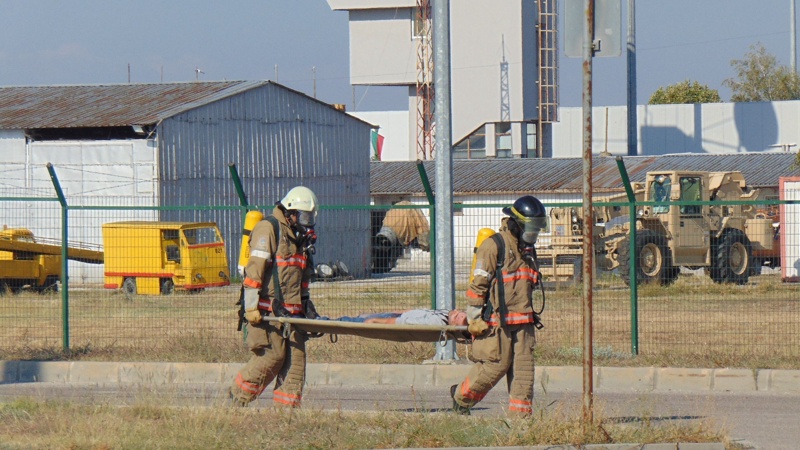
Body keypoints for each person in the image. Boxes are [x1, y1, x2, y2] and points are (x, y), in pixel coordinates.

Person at [450, 195, 547, 417]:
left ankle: (520, 422)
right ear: (516, 223)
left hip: (524, 322)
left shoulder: (527, 250)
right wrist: (474, 317)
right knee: (495, 366)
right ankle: (461, 399)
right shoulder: (494, 245)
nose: (534, 234)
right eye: (531, 228)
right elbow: (479, 284)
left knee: (523, 372)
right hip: (497, 322)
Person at [229, 186, 321, 408]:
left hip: (294, 314)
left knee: (296, 363)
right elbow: (254, 271)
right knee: (273, 356)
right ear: (290, 212)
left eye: (311, 217)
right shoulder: (269, 229)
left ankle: (285, 416)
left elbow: (303, 276)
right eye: (305, 216)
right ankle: (236, 400)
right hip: (267, 311)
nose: (308, 222)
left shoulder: (299, 239)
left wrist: (307, 305)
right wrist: (251, 307)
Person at [334, 309, 467, 326]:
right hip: (396, 314)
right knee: (362, 315)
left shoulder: (436, 321)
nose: (456, 312)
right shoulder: (443, 316)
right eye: (461, 312)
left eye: (457, 316)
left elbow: (403, 322)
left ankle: (322, 322)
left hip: (392, 319)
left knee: (353, 321)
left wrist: (376, 321)